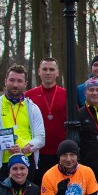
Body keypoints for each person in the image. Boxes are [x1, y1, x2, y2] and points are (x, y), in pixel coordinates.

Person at [0, 64, 46, 189]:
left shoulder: (32, 108)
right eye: (12, 80)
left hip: (26, 163)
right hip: (1, 163)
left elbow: (41, 138)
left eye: (19, 81)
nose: (15, 85)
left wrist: (24, 149)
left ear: (25, 83)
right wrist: (15, 141)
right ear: (5, 81)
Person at [25, 57, 67, 186]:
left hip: (60, 153)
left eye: (51, 69)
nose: (48, 72)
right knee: (37, 189)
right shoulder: (28, 96)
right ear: (39, 71)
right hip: (37, 153)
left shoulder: (67, 94)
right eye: (44, 69)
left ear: (57, 72)